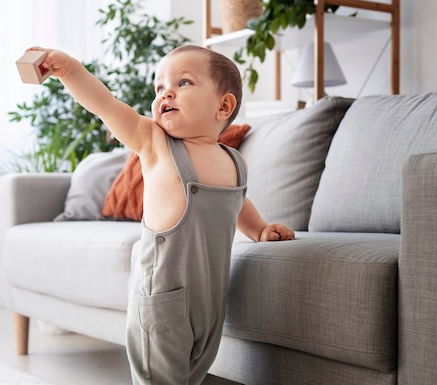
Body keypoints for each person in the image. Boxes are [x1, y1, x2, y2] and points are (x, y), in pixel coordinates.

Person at [24, 44, 295, 385]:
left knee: (192, 375)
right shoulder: (154, 142)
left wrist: (259, 229)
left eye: (183, 83)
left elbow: (237, 201)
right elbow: (106, 105)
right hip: (162, 299)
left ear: (223, 105)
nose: (166, 92)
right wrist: (70, 70)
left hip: (209, 301)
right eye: (159, 87)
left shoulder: (235, 162)